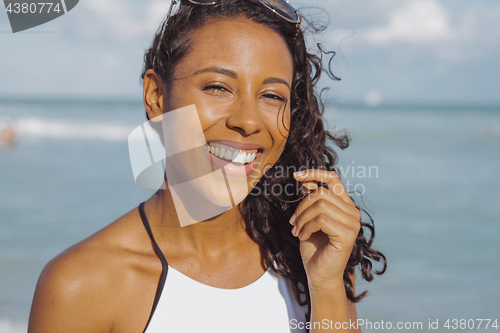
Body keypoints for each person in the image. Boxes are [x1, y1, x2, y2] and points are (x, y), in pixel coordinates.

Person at [28, 0, 386, 332]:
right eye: (218, 87)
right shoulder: (80, 285)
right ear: (156, 96)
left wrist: (325, 285)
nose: (248, 121)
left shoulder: (311, 253)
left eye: (272, 96)